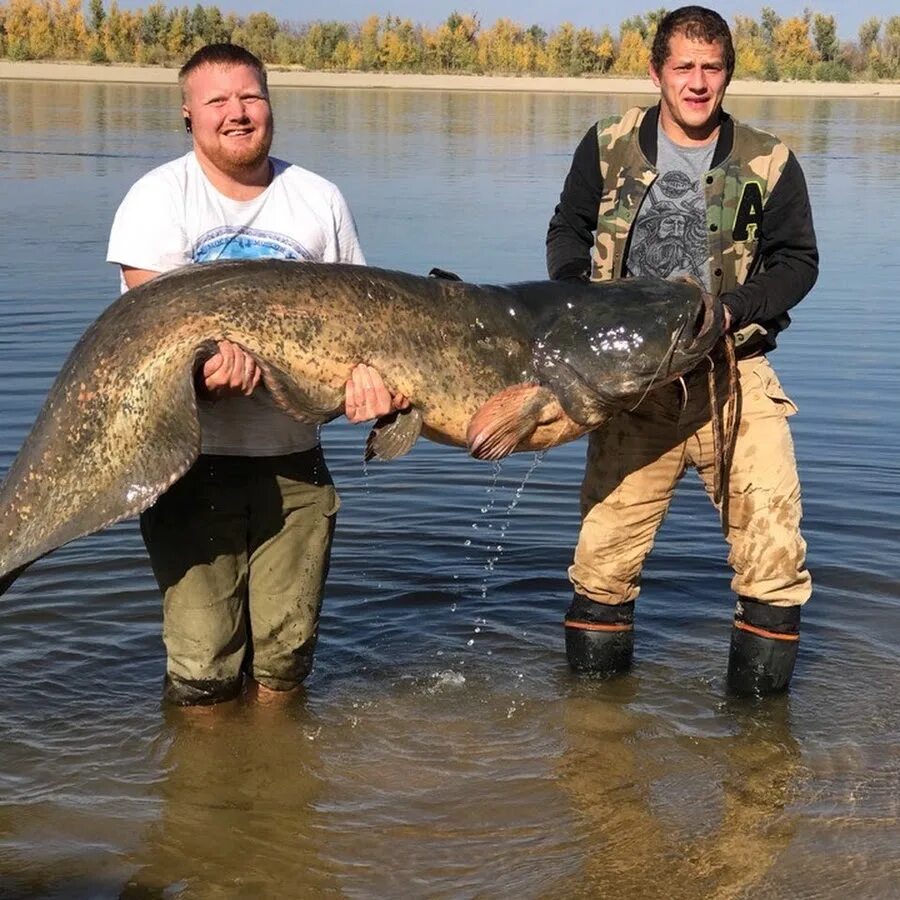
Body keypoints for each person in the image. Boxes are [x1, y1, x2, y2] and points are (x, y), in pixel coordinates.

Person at [107, 43, 403, 707]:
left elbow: (364, 326)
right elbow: (148, 339)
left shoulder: (318, 198)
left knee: (285, 665)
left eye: (250, 97)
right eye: (218, 101)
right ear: (189, 116)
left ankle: (278, 791)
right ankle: (207, 796)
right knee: (205, 670)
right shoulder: (157, 199)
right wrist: (205, 372)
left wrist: (374, 388)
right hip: (189, 466)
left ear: (270, 105)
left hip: (295, 464)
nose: (237, 114)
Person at [546, 6, 818, 696]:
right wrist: (581, 306)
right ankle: (597, 737)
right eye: (684, 67)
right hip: (630, 385)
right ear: (656, 72)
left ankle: (759, 746)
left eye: (712, 68)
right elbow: (567, 231)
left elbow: (795, 264)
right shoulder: (608, 144)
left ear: (728, 74)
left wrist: (732, 312)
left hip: (735, 375)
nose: (698, 83)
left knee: (774, 558)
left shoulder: (770, 159)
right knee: (602, 564)